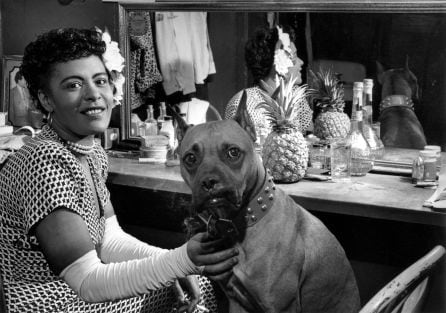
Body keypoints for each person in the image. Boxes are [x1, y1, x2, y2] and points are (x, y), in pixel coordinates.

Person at [0, 28, 238, 313]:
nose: (93, 94)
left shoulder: (92, 153)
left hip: (77, 295)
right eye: (73, 85)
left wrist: (174, 263)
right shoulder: (44, 159)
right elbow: (86, 281)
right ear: (46, 99)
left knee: (196, 285)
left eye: (100, 80)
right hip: (51, 303)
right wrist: (181, 261)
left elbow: (109, 241)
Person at [224, 25, 313, 142]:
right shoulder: (243, 105)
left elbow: (311, 138)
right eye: (295, 57)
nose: (301, 62)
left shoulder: (296, 98)